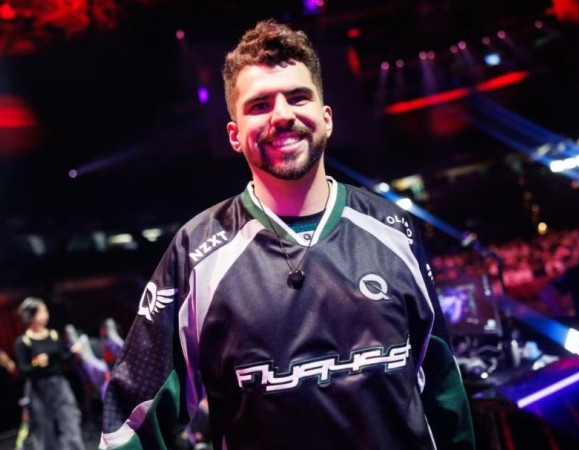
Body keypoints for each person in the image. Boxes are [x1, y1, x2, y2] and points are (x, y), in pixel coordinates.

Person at [100, 19, 475, 450]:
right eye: (259, 105)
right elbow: (129, 423)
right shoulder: (195, 253)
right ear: (234, 135)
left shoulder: (393, 230)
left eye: (298, 97)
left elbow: (444, 390)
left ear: (326, 118)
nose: (282, 115)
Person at [14, 297, 86, 450]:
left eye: (45, 311)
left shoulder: (53, 335)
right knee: (45, 429)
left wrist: (74, 353)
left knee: (69, 423)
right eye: (41, 311)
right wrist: (36, 363)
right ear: (31, 316)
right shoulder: (23, 341)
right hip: (37, 389)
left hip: (58, 385)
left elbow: (63, 358)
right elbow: (22, 370)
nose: (45, 315)